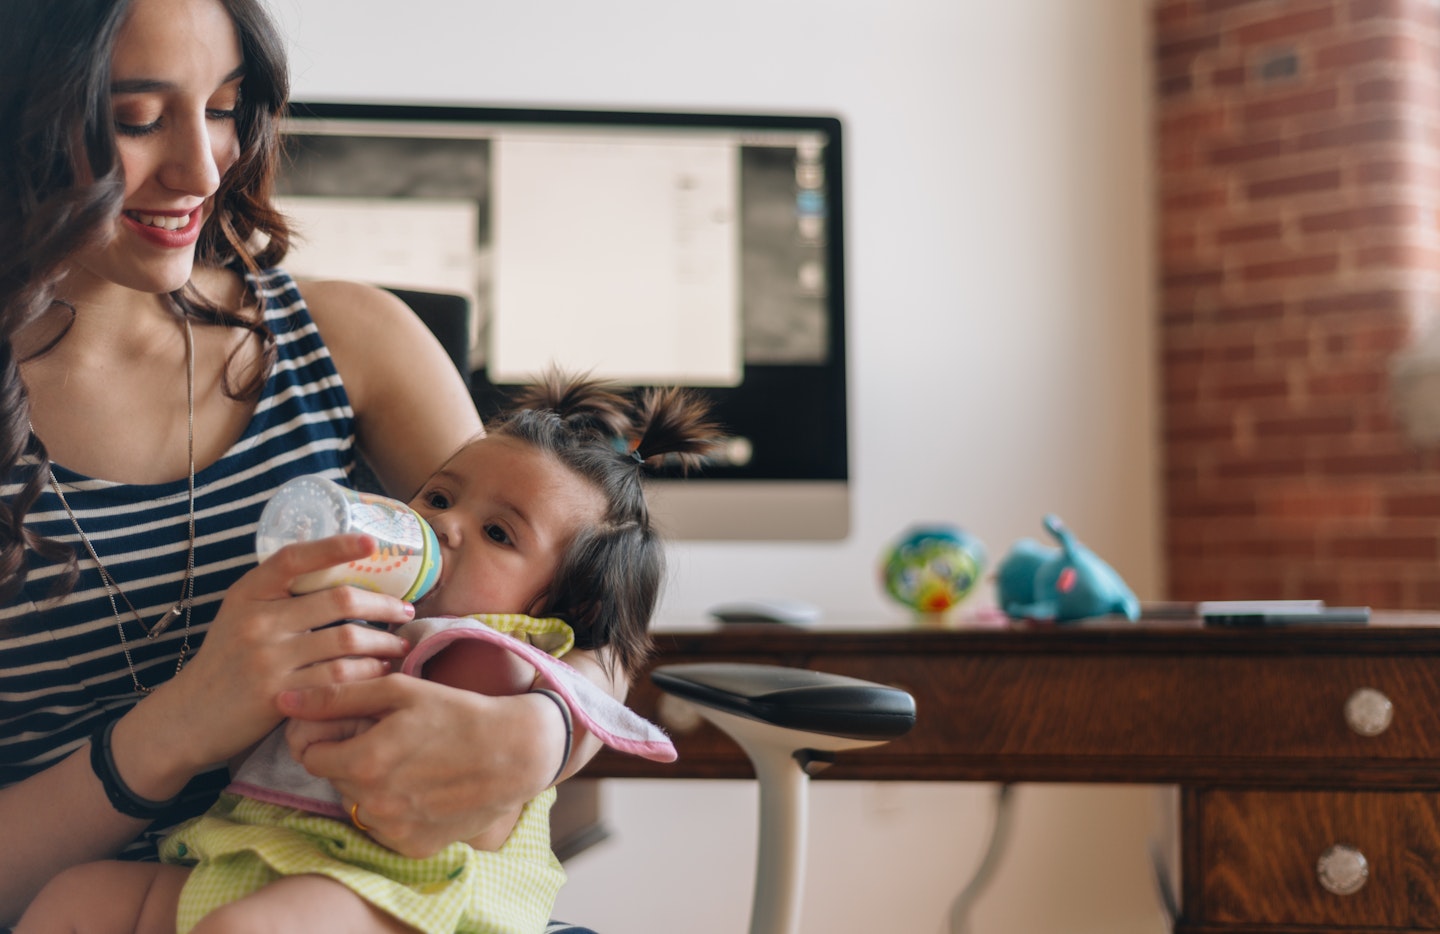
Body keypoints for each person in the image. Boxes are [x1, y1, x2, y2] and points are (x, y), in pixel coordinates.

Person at [0, 0, 621, 925]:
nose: (201, 169)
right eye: (134, 119)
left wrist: (543, 732)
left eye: (223, 107)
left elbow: (591, 607)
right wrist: (173, 730)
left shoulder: (349, 340)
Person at [16, 374, 716, 933]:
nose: (444, 524)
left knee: (248, 930)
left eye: (499, 534)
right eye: (439, 495)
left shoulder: (481, 656)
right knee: (85, 898)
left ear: (552, 608)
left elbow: (458, 756)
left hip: (394, 896)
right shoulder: (349, 614)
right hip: (253, 858)